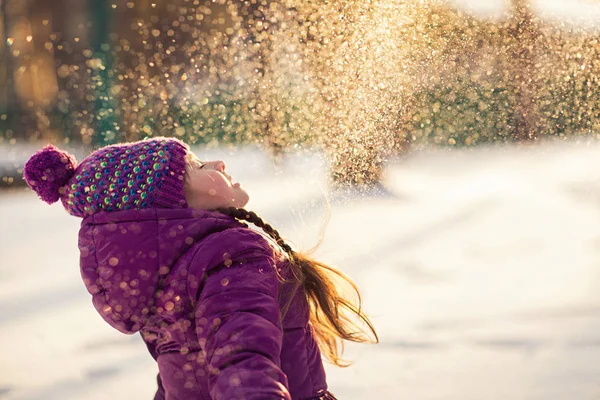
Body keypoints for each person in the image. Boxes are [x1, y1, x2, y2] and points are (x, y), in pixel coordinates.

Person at [23, 137, 378, 400]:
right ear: (172, 204)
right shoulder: (228, 255)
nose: (218, 163)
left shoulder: (164, 269)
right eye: (195, 166)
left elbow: (179, 372)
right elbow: (242, 356)